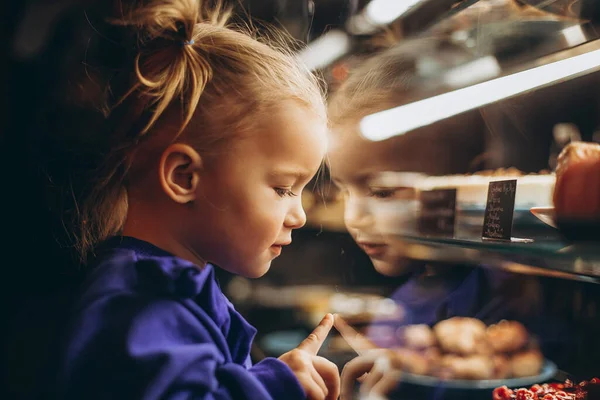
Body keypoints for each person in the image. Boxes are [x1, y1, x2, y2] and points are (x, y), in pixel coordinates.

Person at [50, 1, 339, 399]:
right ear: (184, 177)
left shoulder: (163, 286)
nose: (300, 215)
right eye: (283, 188)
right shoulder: (141, 304)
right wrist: (274, 386)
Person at [326, 39, 552, 399]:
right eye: (343, 190)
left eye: (382, 191)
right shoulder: (411, 296)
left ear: (469, 181)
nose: (355, 217)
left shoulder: (500, 302)